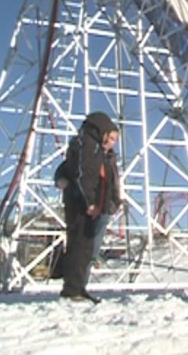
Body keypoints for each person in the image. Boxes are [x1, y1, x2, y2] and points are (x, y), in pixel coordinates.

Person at [54, 112, 119, 302]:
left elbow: (112, 181)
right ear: (103, 133)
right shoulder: (88, 147)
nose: (113, 143)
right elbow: (83, 174)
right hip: (87, 205)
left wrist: (114, 202)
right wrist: (90, 201)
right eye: (112, 138)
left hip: (101, 206)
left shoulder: (106, 156)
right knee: (82, 246)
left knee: (89, 249)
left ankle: (78, 286)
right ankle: (75, 288)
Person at [89, 137, 123, 269]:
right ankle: (89, 256)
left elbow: (115, 182)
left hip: (105, 201)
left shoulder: (111, 159)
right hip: (90, 200)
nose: (112, 142)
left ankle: (92, 256)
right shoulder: (88, 154)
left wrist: (116, 200)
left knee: (101, 225)